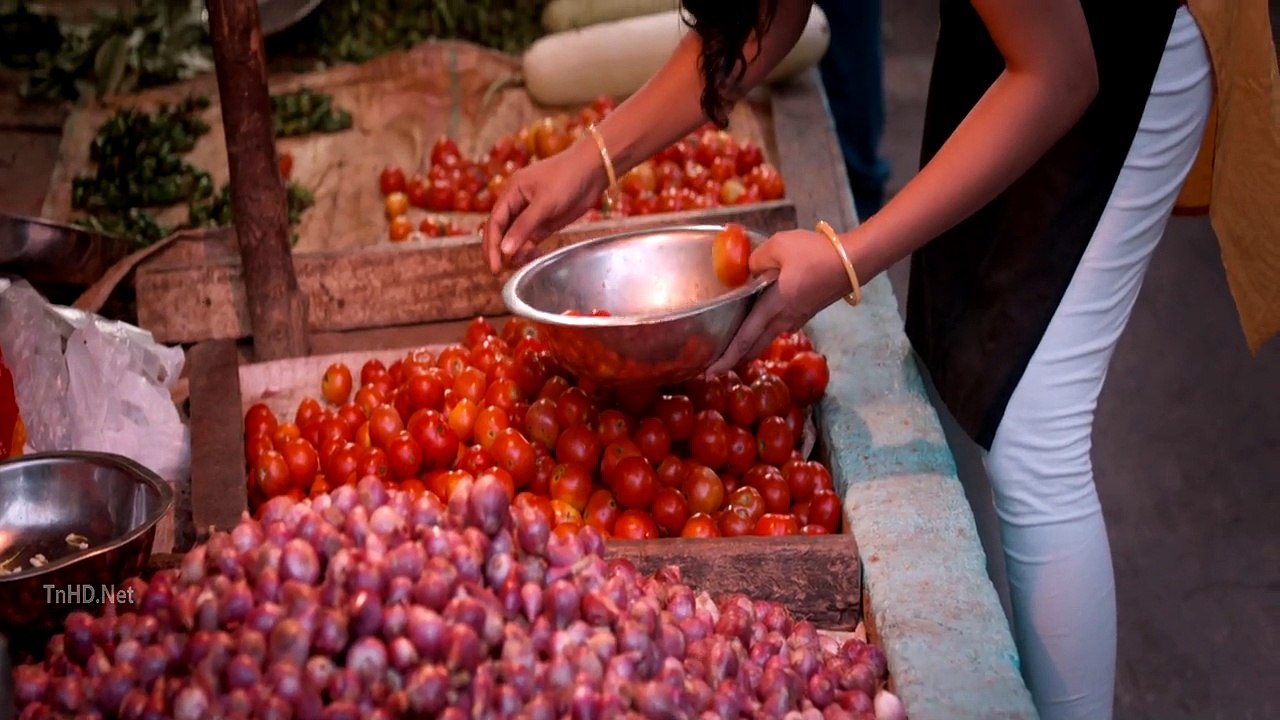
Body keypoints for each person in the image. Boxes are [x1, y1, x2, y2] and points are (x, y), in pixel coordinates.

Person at [482, 1, 1279, 718]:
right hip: (1026, 29)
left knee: (1038, 428)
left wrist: (849, 258)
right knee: (973, 346)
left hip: (1127, 34)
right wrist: (590, 162)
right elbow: (768, 9)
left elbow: (1061, 74)